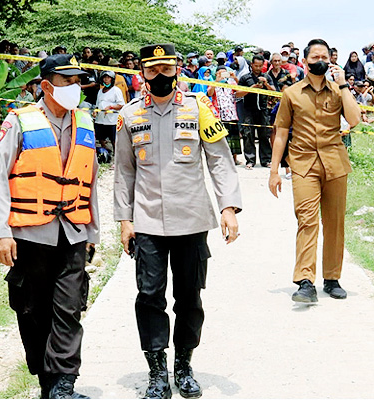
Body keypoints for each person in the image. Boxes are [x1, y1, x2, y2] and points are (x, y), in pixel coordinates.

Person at [114, 43, 241, 400]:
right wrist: (125, 220)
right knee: (149, 296)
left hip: (192, 219)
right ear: (142, 73)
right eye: (151, 70)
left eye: (166, 68)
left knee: (189, 296)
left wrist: (228, 206)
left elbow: (219, 159)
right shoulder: (129, 116)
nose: (159, 76)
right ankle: (157, 370)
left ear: (177, 70)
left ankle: (184, 365)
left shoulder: (199, 109)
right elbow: (123, 172)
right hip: (148, 222)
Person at [0, 54, 97, 399]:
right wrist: (0, 233)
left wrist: (93, 232)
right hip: (30, 234)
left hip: (73, 230)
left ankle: (63, 383)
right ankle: (46, 381)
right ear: (46, 86)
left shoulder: (86, 122)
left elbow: (89, 180)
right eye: (67, 82)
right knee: (32, 309)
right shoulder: (19, 121)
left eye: (78, 81)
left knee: (69, 309)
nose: (75, 88)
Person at [269, 38, 361, 303]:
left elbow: (354, 120)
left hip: (335, 163)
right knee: (307, 220)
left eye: (325, 56)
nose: (320, 60)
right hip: (303, 163)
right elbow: (281, 132)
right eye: (314, 57)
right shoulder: (292, 93)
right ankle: (305, 281)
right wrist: (274, 170)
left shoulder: (338, 90)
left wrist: (343, 84)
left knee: (334, 223)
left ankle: (332, 279)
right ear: (305, 62)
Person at [236, 54, 272, 169]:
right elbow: (237, 93)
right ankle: (250, 160)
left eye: (260, 66)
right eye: (255, 65)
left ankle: (266, 160)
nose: (257, 68)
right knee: (248, 135)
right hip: (248, 110)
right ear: (251, 65)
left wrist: (265, 84)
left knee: (264, 135)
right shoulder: (245, 78)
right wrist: (251, 88)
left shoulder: (267, 76)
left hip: (262, 110)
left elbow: (274, 92)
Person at [208, 65, 242, 165]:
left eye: (224, 73)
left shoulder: (231, 83)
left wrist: (234, 77)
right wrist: (216, 81)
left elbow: (240, 89)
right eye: (220, 73)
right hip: (219, 115)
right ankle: (222, 159)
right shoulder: (212, 83)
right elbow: (210, 93)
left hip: (231, 114)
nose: (223, 75)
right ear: (216, 74)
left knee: (234, 138)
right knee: (222, 139)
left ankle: (234, 158)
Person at [94, 70, 125, 159]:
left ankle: (116, 157)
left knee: (114, 140)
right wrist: (95, 111)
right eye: (104, 78)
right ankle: (106, 153)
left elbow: (121, 105)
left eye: (108, 78)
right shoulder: (100, 91)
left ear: (112, 79)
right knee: (100, 138)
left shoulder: (116, 90)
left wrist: (111, 107)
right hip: (100, 119)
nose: (106, 80)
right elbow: (97, 104)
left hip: (112, 120)